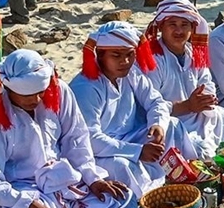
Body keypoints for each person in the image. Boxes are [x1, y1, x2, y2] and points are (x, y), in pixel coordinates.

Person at [0, 49, 130, 208]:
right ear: (9, 89)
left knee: (120, 200)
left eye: (40, 92)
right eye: (27, 95)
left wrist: (92, 178)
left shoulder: (59, 91)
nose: (36, 100)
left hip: (62, 179)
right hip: (22, 188)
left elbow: (76, 138)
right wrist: (28, 205)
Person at [137, 0, 224, 160]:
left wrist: (206, 100)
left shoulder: (193, 53)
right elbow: (149, 106)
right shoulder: (153, 59)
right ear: (161, 26)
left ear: (192, 28)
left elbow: (207, 83)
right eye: (172, 24)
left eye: (184, 25)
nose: (179, 31)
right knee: (201, 151)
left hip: (201, 115)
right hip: (172, 122)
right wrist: (187, 105)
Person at [72, 22, 169, 198]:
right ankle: (147, 199)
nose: (125, 62)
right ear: (100, 56)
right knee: (121, 165)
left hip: (130, 138)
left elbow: (156, 101)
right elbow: (91, 139)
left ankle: (176, 176)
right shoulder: (86, 87)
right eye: (116, 55)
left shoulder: (131, 73)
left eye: (130, 55)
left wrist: (157, 124)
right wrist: (137, 151)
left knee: (173, 126)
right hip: (100, 152)